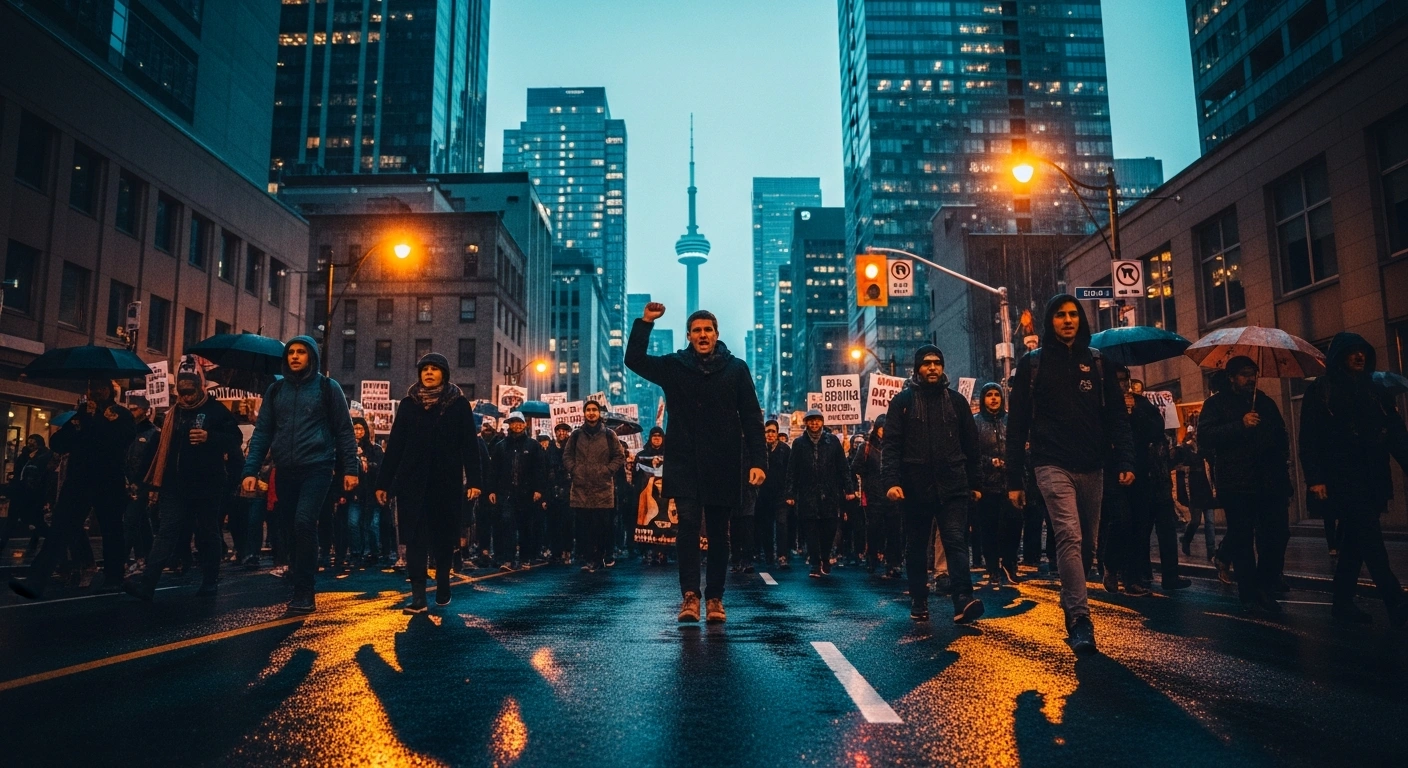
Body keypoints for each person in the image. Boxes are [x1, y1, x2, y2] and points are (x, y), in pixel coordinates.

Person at [1005, 295, 1135, 654]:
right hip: (1051, 463)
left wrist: (1125, 461)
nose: (1067, 320)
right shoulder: (1032, 365)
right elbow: (1016, 427)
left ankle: (1072, 597)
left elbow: (1117, 420)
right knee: (1069, 536)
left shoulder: (1097, 362)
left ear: (1080, 320)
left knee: (1088, 545)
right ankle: (1079, 618)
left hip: (1093, 465)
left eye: (1073, 315)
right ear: (1051, 322)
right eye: (1060, 315)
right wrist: (1014, 480)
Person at [625, 302, 765, 624]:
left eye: (708, 330)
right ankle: (690, 596)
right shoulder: (674, 366)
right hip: (684, 461)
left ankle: (715, 598)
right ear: (689, 335)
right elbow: (634, 360)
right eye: (697, 331)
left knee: (719, 533)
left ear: (717, 334)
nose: (703, 335)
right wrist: (645, 323)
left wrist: (758, 461)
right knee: (687, 528)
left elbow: (752, 418)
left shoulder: (736, 369)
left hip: (724, 461)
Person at [239, 336, 358, 614]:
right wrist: (250, 469)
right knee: (289, 526)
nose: (294, 356)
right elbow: (262, 433)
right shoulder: (275, 390)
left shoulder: (329, 388)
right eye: (291, 352)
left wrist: (350, 469)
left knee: (305, 522)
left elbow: (344, 431)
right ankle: (296, 571)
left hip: (318, 467)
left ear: (312, 357)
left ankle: (305, 591)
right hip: (285, 470)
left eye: (301, 352)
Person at [1299, 333, 1408, 626]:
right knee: (1370, 539)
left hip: (1373, 477)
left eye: (1363, 351)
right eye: (1352, 352)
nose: (1359, 356)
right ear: (1339, 356)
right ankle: (1396, 601)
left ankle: (1342, 602)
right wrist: (1315, 478)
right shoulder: (1322, 390)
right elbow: (1309, 439)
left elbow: (1396, 434)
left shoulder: (1375, 389)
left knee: (1353, 543)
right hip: (1341, 479)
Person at [122, 360, 242, 600]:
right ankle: (147, 586)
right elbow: (157, 450)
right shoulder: (172, 414)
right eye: (182, 391)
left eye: (191, 390)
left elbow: (235, 438)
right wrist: (140, 480)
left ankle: (209, 582)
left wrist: (210, 436)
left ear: (200, 386)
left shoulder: (216, 410)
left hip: (207, 484)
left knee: (207, 532)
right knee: (166, 532)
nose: (186, 396)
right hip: (175, 486)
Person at [881, 345, 983, 623]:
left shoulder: (957, 402)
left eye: (937, 363)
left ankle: (963, 598)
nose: (932, 368)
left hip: (953, 485)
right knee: (916, 545)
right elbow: (891, 446)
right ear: (917, 369)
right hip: (915, 487)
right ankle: (918, 598)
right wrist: (891, 481)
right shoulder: (902, 402)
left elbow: (972, 447)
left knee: (955, 541)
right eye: (926, 363)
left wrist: (975, 483)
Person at [375, 353, 483, 613]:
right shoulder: (408, 405)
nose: (429, 373)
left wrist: (475, 481)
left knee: (444, 538)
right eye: (425, 369)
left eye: (435, 369)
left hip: (445, 484)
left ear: (444, 375)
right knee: (414, 539)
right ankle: (419, 596)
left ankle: (443, 580)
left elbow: (470, 445)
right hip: (411, 484)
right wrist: (384, 483)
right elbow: (395, 447)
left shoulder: (458, 405)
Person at [11, 379, 136, 600]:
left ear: (108, 391)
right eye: (91, 387)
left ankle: (114, 578)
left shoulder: (121, 416)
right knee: (60, 529)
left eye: (99, 387)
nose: (94, 391)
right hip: (78, 481)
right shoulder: (80, 415)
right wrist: (79, 424)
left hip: (108, 481)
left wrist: (102, 423)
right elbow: (58, 443)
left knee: (111, 530)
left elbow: (118, 443)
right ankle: (36, 581)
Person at [1197, 355, 1291, 616]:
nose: (1250, 379)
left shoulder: (1265, 402)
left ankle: (1263, 585)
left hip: (1268, 481)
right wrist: (1240, 425)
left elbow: (1280, 435)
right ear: (1231, 378)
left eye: (1253, 373)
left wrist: (1281, 465)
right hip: (1236, 483)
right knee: (1242, 538)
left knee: (1275, 535)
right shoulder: (1215, 405)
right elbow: (1205, 436)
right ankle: (1248, 593)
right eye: (1244, 374)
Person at [786, 410, 855, 578]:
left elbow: (843, 467)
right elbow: (792, 470)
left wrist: (849, 489)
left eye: (817, 420)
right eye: (811, 421)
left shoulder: (832, 442)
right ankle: (815, 563)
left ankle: (825, 557)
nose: (815, 424)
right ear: (807, 423)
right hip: (807, 493)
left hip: (830, 493)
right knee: (810, 530)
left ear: (822, 422)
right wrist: (790, 493)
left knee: (829, 528)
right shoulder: (799, 443)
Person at [563, 400, 626, 573]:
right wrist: (575, 470)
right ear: (584, 413)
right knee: (584, 527)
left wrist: (607, 471)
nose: (591, 413)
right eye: (588, 410)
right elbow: (567, 455)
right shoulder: (576, 435)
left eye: (594, 410)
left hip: (602, 489)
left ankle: (598, 558)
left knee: (601, 527)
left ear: (599, 413)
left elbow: (619, 457)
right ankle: (588, 558)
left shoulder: (609, 435)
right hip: (581, 488)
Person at [975, 383, 1022, 587]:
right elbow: (972, 453)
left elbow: (1020, 447)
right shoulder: (975, 423)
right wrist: (989, 462)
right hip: (987, 486)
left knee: (1013, 526)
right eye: (989, 395)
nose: (993, 398)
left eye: (997, 395)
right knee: (989, 528)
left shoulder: (1011, 421)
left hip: (1010, 484)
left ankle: (1010, 564)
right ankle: (993, 567)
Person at [486, 411, 546, 571]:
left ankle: (525, 557)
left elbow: (540, 470)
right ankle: (508, 559)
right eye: (513, 422)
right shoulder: (501, 446)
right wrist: (491, 490)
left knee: (526, 526)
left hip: (527, 493)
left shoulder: (533, 446)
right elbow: (494, 471)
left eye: (519, 422)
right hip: (506, 493)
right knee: (507, 524)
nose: (517, 425)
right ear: (509, 425)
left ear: (525, 424)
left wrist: (538, 489)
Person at [852, 415, 902, 577]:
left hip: (892, 495)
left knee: (893, 530)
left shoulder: (895, 447)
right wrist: (868, 480)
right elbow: (855, 467)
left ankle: (893, 562)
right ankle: (872, 559)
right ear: (877, 429)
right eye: (882, 428)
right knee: (874, 529)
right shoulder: (866, 447)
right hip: (873, 495)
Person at [120, 396, 159, 572]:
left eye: (135, 409)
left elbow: (151, 462)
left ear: (145, 410)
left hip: (142, 484)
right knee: (141, 521)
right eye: (130, 409)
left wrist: (145, 484)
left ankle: (120, 560)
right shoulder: (127, 431)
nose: (131, 412)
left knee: (130, 521)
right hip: (126, 482)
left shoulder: (153, 434)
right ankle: (148, 556)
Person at [1, 434, 52, 559]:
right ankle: (3, 544)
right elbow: (18, 471)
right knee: (12, 521)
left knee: (36, 522)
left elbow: (42, 476)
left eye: (33, 442)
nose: (30, 444)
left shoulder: (44, 456)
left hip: (33, 496)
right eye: (29, 441)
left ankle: (49, 541)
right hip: (19, 493)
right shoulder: (24, 455)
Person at [344, 417, 383, 568]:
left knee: (372, 525)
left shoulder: (375, 450)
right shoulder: (348, 449)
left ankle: (372, 552)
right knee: (353, 523)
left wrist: (367, 463)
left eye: (361, 429)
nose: (358, 432)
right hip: (356, 494)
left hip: (372, 494)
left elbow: (380, 469)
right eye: (355, 429)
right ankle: (356, 552)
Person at [1175, 428, 1219, 560]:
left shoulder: (1205, 450)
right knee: (1195, 520)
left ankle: (1211, 550)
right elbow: (1177, 466)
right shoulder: (1185, 449)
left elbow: (1212, 466)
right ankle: (1186, 539)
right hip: (1194, 489)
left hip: (1206, 488)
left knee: (1210, 522)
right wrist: (1186, 468)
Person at [757, 420, 792, 568]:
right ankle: (769, 555)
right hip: (763, 495)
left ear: (777, 433)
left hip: (781, 494)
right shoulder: (759, 450)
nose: (770, 434)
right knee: (766, 526)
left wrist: (790, 494)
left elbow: (791, 473)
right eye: (767, 431)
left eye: (772, 431)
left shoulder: (785, 450)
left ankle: (782, 555)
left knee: (782, 525)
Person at [546, 422, 575, 564]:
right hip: (553, 490)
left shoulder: (572, 448)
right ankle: (555, 551)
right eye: (559, 431)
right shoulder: (549, 448)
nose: (562, 434)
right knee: (553, 522)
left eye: (565, 431)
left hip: (568, 489)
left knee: (567, 523)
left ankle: (567, 550)